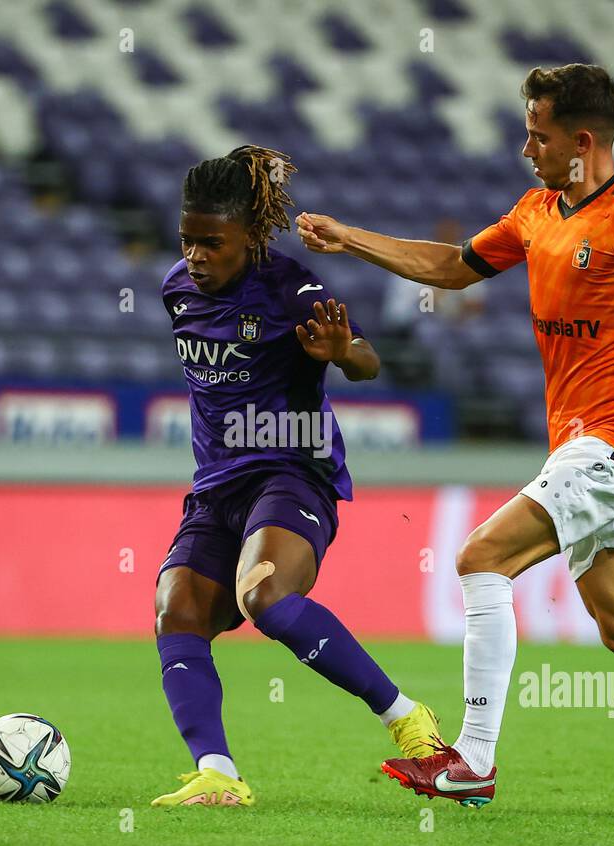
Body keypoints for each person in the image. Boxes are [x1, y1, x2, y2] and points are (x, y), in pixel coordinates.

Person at [297, 65, 614, 807]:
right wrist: (350, 238)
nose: (525, 148)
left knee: (481, 558)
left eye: (537, 135)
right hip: (578, 444)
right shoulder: (535, 211)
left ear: (582, 142)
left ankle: (472, 761)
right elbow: (452, 268)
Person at [151, 144, 442, 808]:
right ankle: (218, 773)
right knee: (177, 609)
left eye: (211, 243)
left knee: (263, 595)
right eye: (188, 241)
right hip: (217, 486)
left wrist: (343, 353)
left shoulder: (291, 288)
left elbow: (367, 359)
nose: (195, 256)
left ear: (250, 238)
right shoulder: (177, 289)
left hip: (291, 471)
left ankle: (405, 719)